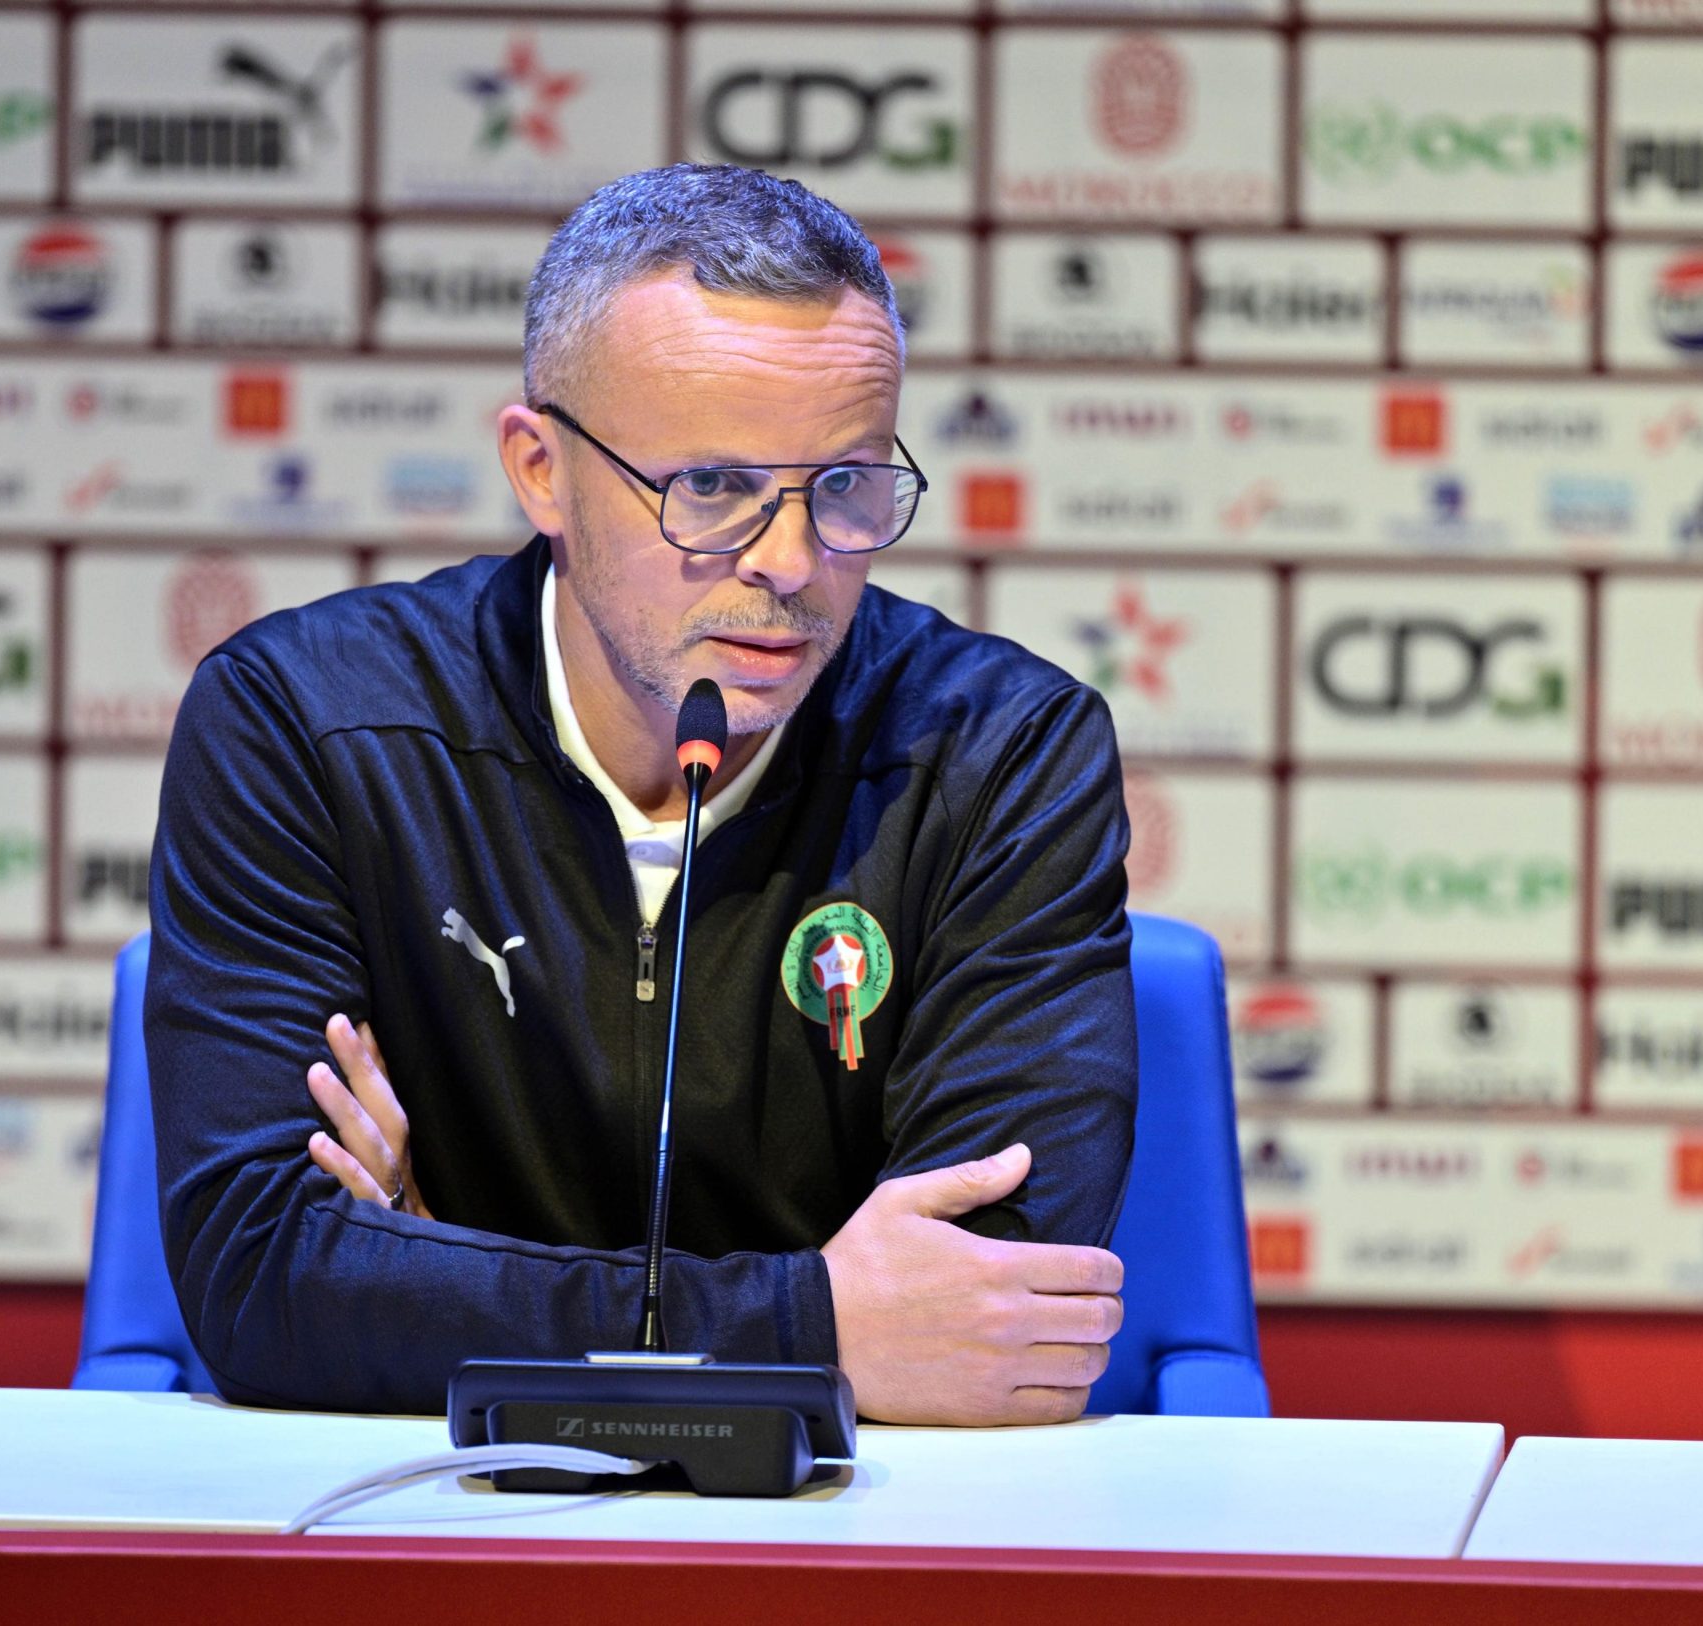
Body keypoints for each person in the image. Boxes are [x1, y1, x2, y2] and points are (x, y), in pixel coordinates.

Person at [147, 164, 1136, 1427]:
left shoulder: (1002, 751)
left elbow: (994, 1299)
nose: (791, 564)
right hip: (438, 1513)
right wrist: (816, 1325)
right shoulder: (307, 725)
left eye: (845, 486)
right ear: (541, 470)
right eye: (711, 487)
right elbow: (264, 1281)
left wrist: (428, 1272)